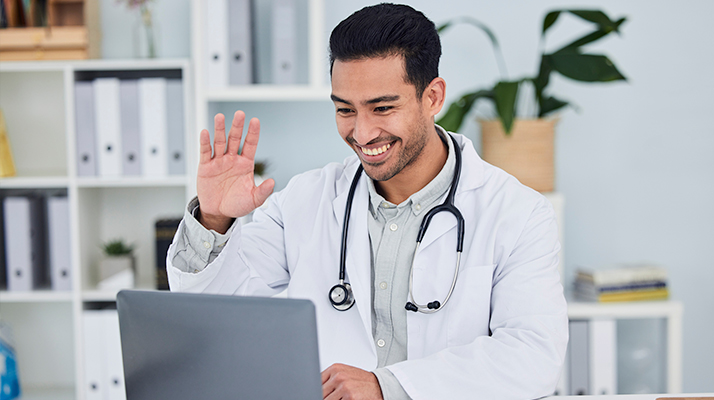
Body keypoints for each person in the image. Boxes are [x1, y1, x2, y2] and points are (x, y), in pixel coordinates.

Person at [168, 3, 567, 399]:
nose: (362, 132)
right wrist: (214, 219)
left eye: (382, 108)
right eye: (345, 109)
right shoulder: (304, 202)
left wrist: (388, 387)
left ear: (432, 97)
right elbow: (221, 321)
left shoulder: (517, 212)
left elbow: (532, 356)